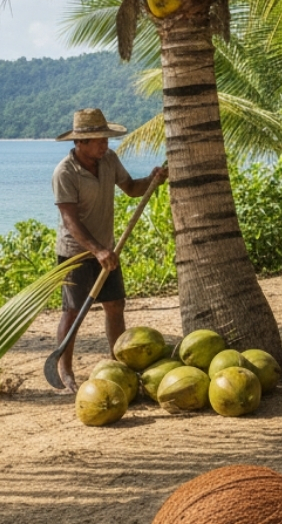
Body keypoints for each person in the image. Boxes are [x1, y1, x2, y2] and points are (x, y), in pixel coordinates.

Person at [52, 108, 167, 391]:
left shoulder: (109, 160)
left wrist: (152, 181)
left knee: (115, 305)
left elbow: (130, 187)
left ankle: (119, 363)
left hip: (106, 250)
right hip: (75, 253)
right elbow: (70, 219)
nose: (105, 144)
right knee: (73, 310)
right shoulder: (65, 173)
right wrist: (95, 250)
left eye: (106, 138)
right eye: (98, 139)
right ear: (80, 143)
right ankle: (65, 372)